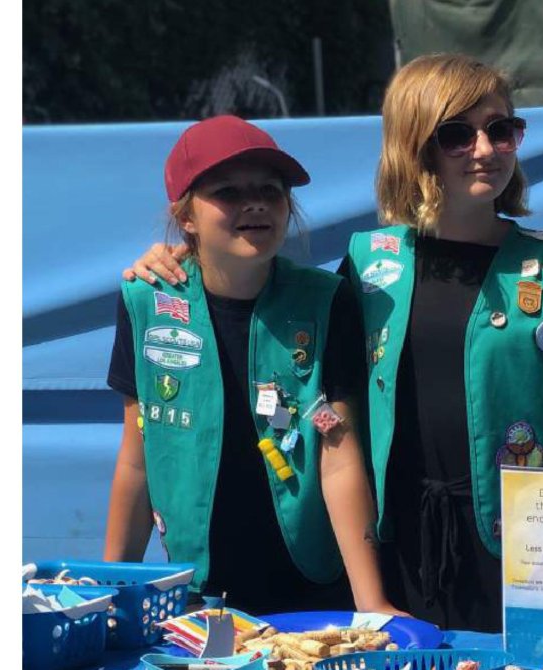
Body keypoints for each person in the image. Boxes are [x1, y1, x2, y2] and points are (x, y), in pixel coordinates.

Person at [130, 55, 543, 631]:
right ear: (416, 147)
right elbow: (251, 293)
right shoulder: (368, 264)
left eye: (501, 129)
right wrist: (177, 260)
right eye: (458, 134)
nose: (486, 149)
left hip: (531, 549)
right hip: (397, 550)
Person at [105, 116, 394, 615]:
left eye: (270, 190)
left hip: (313, 591)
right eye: (228, 192)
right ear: (186, 216)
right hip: (196, 596)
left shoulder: (327, 301)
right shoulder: (145, 302)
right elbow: (136, 461)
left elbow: (341, 458)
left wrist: (372, 602)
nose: (255, 203)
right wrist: (110, 592)